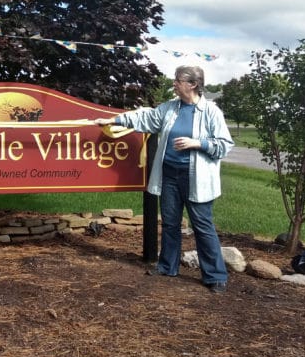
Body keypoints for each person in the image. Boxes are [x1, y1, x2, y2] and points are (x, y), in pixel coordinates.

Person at [93, 66, 234, 293]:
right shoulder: (170, 108)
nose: (174, 84)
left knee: (203, 226)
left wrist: (197, 143)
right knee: (170, 223)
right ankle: (168, 266)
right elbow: (146, 117)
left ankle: (215, 276)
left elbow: (224, 145)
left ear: (193, 85)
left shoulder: (211, 112)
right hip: (169, 175)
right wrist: (114, 120)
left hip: (195, 178)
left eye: (178, 81)